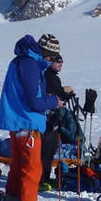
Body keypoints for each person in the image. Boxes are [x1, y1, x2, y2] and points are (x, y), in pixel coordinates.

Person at [0, 34, 63, 201]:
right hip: (26, 123)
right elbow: (34, 101)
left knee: (18, 168)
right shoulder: (30, 65)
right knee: (31, 170)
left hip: (19, 122)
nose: (50, 62)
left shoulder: (22, 61)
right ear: (45, 54)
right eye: (50, 57)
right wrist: (53, 102)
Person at [40, 51, 76, 191]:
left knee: (49, 150)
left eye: (61, 61)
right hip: (48, 119)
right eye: (57, 61)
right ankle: (41, 179)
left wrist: (64, 94)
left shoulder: (52, 77)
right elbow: (51, 97)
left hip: (52, 118)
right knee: (46, 150)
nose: (60, 64)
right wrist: (63, 94)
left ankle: (45, 178)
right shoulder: (48, 76)